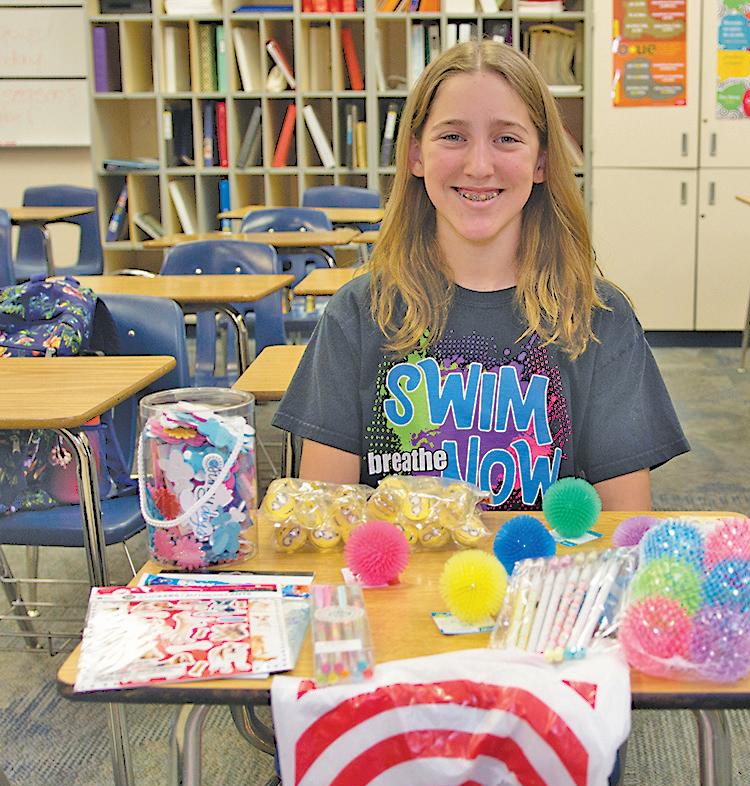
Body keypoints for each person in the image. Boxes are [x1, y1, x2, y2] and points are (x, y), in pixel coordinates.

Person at [274, 40, 689, 510]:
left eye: (506, 138)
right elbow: (324, 522)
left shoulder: (598, 318)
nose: (478, 166)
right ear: (415, 155)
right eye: (453, 136)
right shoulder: (358, 314)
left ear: (541, 161)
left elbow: (624, 528)